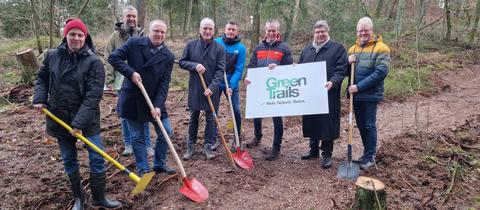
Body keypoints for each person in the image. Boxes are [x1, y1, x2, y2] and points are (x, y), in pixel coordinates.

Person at [33, 18, 121, 210]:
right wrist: (39, 98)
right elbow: (41, 78)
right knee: (69, 158)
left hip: (87, 119)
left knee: (97, 157)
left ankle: (99, 197)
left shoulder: (94, 62)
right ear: (66, 35)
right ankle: (79, 198)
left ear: (85, 37)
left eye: (80, 35)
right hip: (59, 117)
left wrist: (79, 123)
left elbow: (93, 96)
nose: (76, 38)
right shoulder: (52, 56)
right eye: (72, 34)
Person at [108, 20, 176, 176]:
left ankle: (159, 164)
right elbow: (114, 58)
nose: (159, 34)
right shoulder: (134, 43)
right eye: (156, 31)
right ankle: (143, 169)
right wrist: (130, 73)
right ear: (149, 31)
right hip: (133, 97)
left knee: (166, 131)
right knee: (137, 137)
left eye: (162, 32)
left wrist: (158, 105)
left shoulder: (168, 56)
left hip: (154, 99)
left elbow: (165, 83)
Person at [298, 20, 347, 169]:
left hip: (329, 92)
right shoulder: (307, 50)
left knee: (327, 123)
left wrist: (332, 82)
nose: (320, 34)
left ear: (328, 32)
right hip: (310, 93)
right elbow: (300, 69)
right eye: (317, 32)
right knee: (312, 120)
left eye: (323, 32)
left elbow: (341, 70)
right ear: (314, 33)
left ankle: (326, 154)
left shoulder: (338, 49)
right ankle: (313, 150)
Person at [244, 19, 293, 161]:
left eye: (274, 30)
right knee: (256, 114)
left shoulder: (284, 48)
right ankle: (257, 137)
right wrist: (247, 77)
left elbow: (290, 69)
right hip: (259, 87)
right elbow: (251, 66)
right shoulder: (258, 48)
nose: (271, 33)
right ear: (265, 31)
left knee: (277, 117)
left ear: (278, 32)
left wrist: (278, 69)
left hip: (276, 89)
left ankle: (276, 148)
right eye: (269, 30)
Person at [179, 17, 226, 160]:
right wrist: (194, 66)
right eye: (205, 28)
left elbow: (220, 70)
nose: (207, 31)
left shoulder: (219, 48)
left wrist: (212, 87)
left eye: (210, 29)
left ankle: (208, 145)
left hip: (212, 90)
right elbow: (181, 62)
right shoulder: (191, 45)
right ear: (200, 29)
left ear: (213, 31)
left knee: (210, 119)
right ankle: (190, 145)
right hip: (195, 88)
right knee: (193, 117)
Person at [347, 17, 390, 170]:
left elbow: (381, 72)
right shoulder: (353, 49)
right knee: (361, 125)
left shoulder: (382, 48)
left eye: (366, 30)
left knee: (369, 125)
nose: (363, 33)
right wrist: (347, 62)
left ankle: (370, 157)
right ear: (357, 32)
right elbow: (347, 72)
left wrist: (358, 87)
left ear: (372, 30)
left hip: (370, 94)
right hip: (356, 95)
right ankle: (365, 155)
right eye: (360, 30)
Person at [212, 20, 247, 151]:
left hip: (231, 83)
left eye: (233, 30)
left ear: (237, 32)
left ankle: (237, 137)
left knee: (236, 110)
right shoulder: (216, 43)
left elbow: (239, 69)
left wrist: (231, 85)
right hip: (216, 81)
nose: (231, 32)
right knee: (213, 110)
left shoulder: (241, 48)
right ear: (225, 30)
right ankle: (213, 137)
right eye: (229, 29)